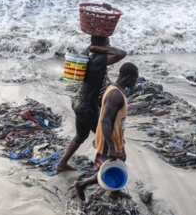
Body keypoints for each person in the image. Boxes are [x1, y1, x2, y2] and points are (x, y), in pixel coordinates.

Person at [56, 36, 127, 171]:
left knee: (81, 135)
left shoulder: (90, 56)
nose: (109, 45)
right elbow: (121, 53)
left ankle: (62, 163)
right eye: (107, 42)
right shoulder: (99, 59)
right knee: (107, 138)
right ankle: (105, 172)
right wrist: (97, 47)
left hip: (79, 102)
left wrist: (94, 47)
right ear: (102, 45)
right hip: (87, 107)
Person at [74, 62, 139, 201]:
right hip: (109, 140)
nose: (136, 82)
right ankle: (81, 185)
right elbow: (105, 120)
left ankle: (114, 192)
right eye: (135, 78)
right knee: (106, 169)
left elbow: (108, 117)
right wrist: (110, 146)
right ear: (127, 77)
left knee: (120, 161)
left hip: (116, 137)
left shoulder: (114, 89)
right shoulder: (115, 95)